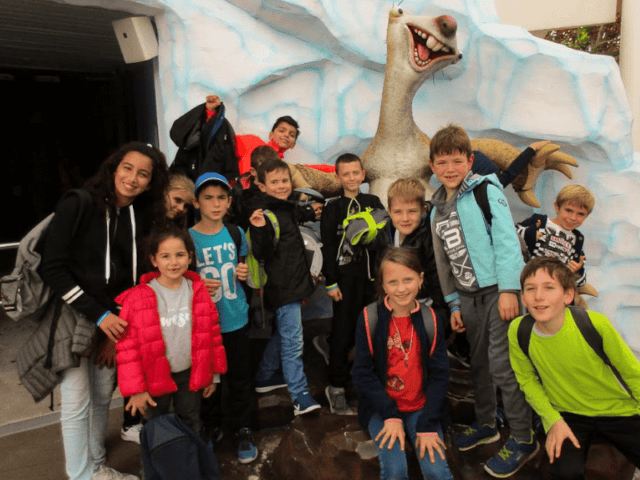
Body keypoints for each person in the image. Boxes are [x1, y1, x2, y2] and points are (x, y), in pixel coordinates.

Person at [38, 142, 170, 480]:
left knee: (101, 394)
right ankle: (82, 474)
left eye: (144, 174)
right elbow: (52, 268)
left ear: (151, 182)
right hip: (76, 314)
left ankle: (96, 464)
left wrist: (118, 330)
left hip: (115, 320)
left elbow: (133, 278)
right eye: (127, 168)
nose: (133, 178)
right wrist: (100, 316)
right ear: (113, 168)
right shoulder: (79, 203)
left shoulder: (140, 215)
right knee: (77, 400)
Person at [429, 124, 536, 478]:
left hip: (497, 294)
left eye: (456, 161)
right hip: (467, 297)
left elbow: (507, 240)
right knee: (479, 365)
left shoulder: (485, 190)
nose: (449, 168)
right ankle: (487, 424)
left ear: (469, 161)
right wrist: (454, 303)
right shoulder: (436, 210)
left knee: (502, 365)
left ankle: (523, 437)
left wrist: (509, 290)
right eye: (442, 162)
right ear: (432, 166)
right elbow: (443, 262)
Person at [508, 257, 640, 479]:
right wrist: (553, 420)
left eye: (549, 288)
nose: (538, 296)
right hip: (569, 415)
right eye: (531, 289)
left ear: (568, 295)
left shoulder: (594, 324)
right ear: (523, 297)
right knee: (565, 474)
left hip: (619, 411)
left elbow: (632, 373)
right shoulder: (518, 331)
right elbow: (527, 380)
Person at [115, 226, 227, 439]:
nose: (173, 262)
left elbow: (211, 335)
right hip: (153, 377)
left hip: (190, 374)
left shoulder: (199, 291)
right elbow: (127, 349)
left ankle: (193, 465)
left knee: (192, 420)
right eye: (165, 256)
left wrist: (213, 375)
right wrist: (136, 390)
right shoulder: (137, 298)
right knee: (156, 426)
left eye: (180, 255)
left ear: (190, 257)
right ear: (154, 260)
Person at [352, 248, 453, 480]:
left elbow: (439, 375)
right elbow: (361, 373)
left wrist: (428, 423)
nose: (401, 288)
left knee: (436, 471)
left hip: (421, 407)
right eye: (393, 282)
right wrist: (390, 414)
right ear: (383, 285)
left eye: (408, 280)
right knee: (395, 471)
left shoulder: (431, 319)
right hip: (382, 408)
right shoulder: (370, 318)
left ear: (420, 279)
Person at [189, 172, 258, 464]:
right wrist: (196, 284)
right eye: (208, 198)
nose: (215, 204)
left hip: (235, 317)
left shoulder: (235, 233)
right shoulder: (187, 238)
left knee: (240, 377)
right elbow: (177, 278)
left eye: (221, 198)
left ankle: (243, 429)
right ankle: (211, 427)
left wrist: (244, 274)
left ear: (229, 201)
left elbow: (247, 268)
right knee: (208, 380)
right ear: (196, 202)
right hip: (203, 324)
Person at [248, 157, 321, 415]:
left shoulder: (285, 208)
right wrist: (257, 230)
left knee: (285, 333)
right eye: (275, 182)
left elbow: (294, 214)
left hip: (294, 285)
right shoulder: (264, 216)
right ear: (262, 186)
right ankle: (299, 394)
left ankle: (265, 376)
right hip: (283, 287)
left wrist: (310, 212)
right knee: (293, 341)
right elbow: (263, 252)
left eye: (285, 180)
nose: (281, 185)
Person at [316, 153, 384, 414]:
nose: (352, 178)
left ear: (363, 174)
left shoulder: (373, 201)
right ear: (338, 177)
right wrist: (331, 282)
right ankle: (336, 388)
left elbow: (382, 239)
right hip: (345, 281)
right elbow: (328, 246)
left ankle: (372, 386)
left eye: (356, 173)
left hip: (372, 282)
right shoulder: (333, 207)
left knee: (374, 332)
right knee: (343, 333)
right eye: (346, 174)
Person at [516, 184, 595, 287]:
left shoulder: (577, 242)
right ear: (557, 207)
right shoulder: (539, 221)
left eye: (580, 214)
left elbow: (580, 284)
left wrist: (576, 272)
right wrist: (529, 234)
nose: (573, 217)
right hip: (526, 282)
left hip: (553, 289)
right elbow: (511, 234)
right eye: (568, 210)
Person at [170, 94, 238, 182]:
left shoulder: (223, 129)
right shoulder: (189, 140)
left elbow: (229, 165)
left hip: (214, 187)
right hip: (189, 186)